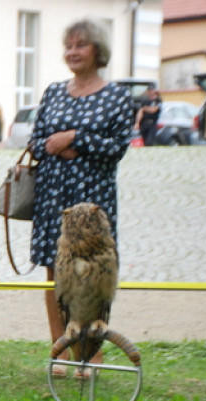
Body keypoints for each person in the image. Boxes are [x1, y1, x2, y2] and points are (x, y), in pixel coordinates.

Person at [30, 19, 133, 376]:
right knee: (54, 274)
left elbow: (118, 147)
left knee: (95, 277)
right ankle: (59, 349)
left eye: (81, 45)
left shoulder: (117, 95)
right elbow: (36, 142)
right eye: (69, 45)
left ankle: (90, 355)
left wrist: (75, 138)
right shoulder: (54, 91)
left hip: (93, 199)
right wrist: (54, 145)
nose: (72, 52)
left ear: (97, 51)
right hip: (53, 197)